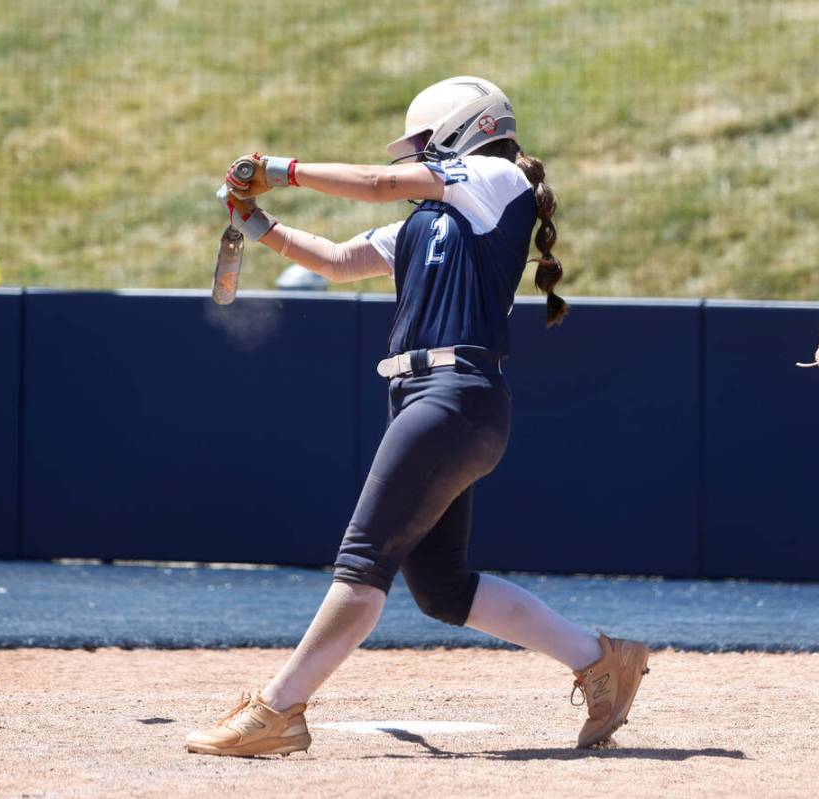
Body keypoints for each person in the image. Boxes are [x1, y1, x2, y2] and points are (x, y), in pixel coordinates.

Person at [186, 77, 649, 758]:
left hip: (452, 396)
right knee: (441, 586)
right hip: (435, 401)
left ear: (466, 130)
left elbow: (376, 180)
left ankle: (279, 708)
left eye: (425, 147)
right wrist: (257, 224)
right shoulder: (429, 223)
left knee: (362, 560)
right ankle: (601, 659)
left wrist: (281, 170)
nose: (414, 161)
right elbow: (339, 260)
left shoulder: (493, 179)